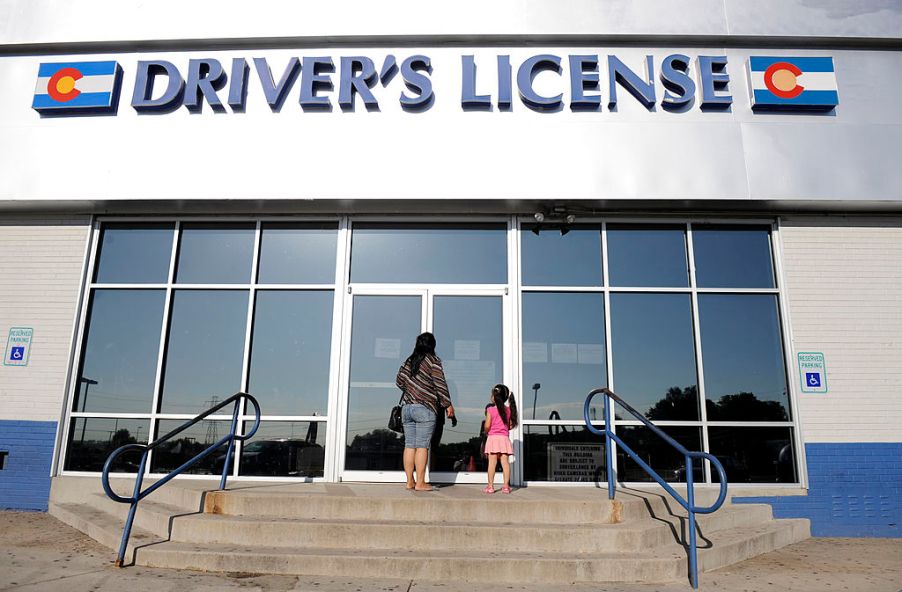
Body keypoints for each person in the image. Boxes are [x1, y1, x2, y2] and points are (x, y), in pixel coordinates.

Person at [395, 332, 455, 491]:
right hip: (425, 408)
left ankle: (410, 482)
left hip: (407, 408)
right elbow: (440, 383)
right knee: (422, 446)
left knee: (409, 445)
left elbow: (399, 381)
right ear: (432, 345)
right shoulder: (433, 360)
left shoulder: (409, 361)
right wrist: (448, 404)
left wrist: (412, 389)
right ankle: (420, 483)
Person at [483, 383, 518, 494]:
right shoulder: (508, 410)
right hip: (504, 439)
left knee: (492, 464)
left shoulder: (490, 410)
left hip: (493, 439)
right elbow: (511, 425)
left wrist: (486, 430)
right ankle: (506, 487)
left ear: (494, 396)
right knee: (505, 463)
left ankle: (490, 486)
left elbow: (487, 425)